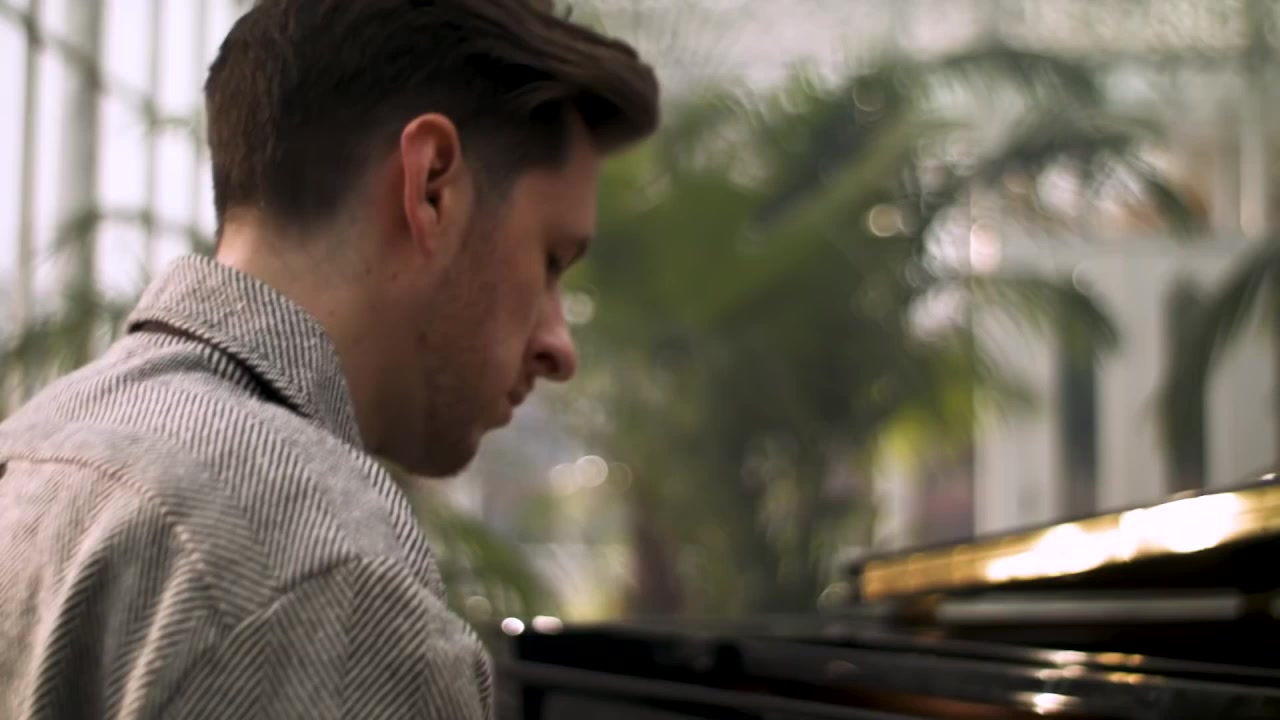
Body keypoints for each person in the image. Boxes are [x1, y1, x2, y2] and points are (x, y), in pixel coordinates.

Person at [0, 0, 659, 717]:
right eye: (551, 259)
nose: (560, 347)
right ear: (432, 187)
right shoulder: (321, 578)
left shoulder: (37, 449)